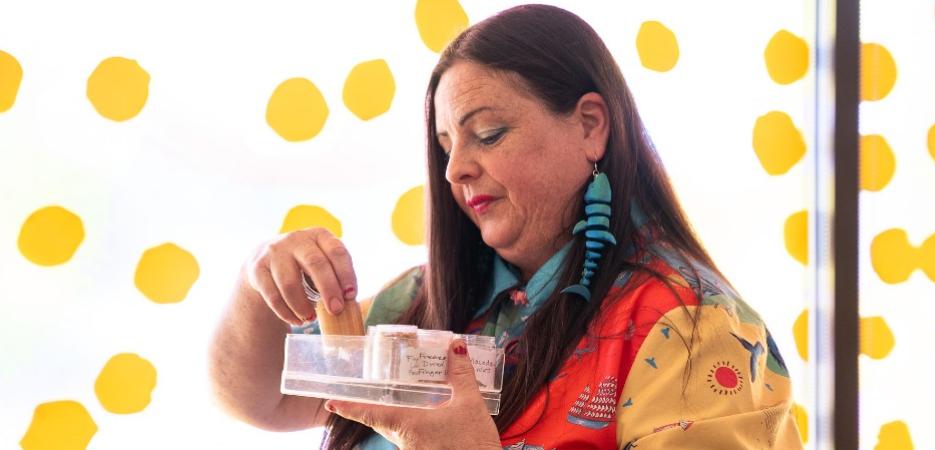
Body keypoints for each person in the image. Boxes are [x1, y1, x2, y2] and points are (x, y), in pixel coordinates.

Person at [209, 4, 803, 449]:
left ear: (590, 125)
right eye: (446, 146)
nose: (455, 170)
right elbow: (260, 398)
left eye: (488, 134)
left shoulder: (690, 328)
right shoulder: (425, 298)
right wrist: (261, 282)